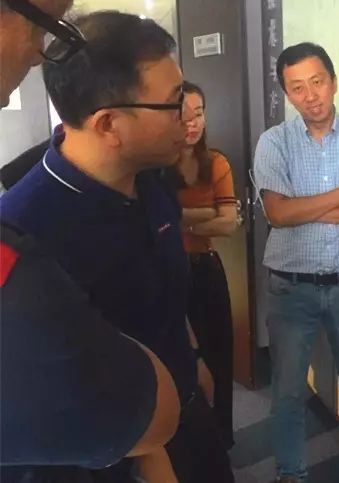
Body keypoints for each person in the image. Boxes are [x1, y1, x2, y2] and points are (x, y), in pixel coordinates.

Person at [0, 10, 233, 483]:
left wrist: (193, 358)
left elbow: (168, 292)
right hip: (117, 453)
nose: (188, 117)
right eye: (173, 103)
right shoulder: (27, 230)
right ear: (109, 124)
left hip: (185, 408)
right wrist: (152, 460)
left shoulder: (153, 178)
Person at [254, 42, 339, 483]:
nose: (310, 95)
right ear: (287, 94)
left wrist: (304, 208)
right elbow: (277, 214)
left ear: (333, 82)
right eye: (297, 87)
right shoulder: (274, 142)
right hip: (291, 288)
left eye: (317, 82)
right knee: (288, 392)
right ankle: (291, 473)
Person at [171, 80, 239, 447]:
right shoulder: (154, 167)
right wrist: (208, 212)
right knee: (179, 359)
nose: (192, 123)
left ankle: (221, 438)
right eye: (184, 115)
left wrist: (178, 220)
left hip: (205, 268)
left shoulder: (215, 162)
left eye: (198, 114)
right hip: (168, 272)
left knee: (218, 356)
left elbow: (228, 223)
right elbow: (153, 219)